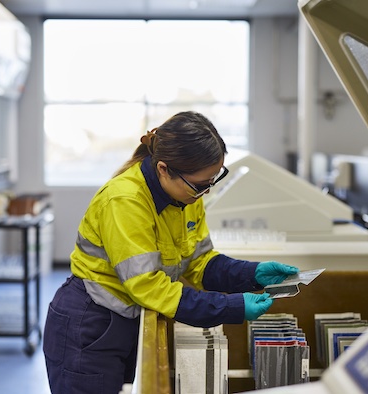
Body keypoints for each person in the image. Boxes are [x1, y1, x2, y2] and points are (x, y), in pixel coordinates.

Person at [43, 111, 298, 394]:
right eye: (202, 184)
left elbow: (200, 263)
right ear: (164, 169)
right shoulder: (125, 201)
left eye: (214, 180)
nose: (207, 191)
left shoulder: (187, 196)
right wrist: (231, 307)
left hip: (126, 317)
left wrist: (251, 273)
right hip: (91, 323)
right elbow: (149, 287)